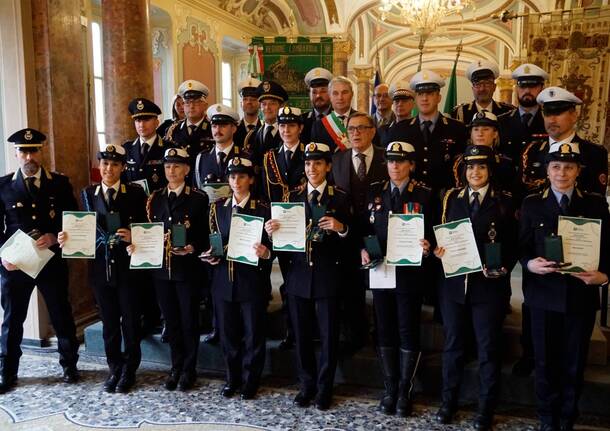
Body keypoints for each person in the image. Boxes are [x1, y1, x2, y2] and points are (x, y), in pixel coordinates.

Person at [519, 141, 609, 431]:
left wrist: (605, 276)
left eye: (568, 167)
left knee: (574, 363)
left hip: (580, 296)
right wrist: (529, 263)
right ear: (547, 170)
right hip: (543, 297)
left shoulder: (594, 203)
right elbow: (520, 246)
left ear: (578, 170)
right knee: (544, 362)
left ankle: (568, 418)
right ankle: (547, 418)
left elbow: (608, 248)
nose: (562, 173)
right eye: (556, 166)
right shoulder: (532, 203)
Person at [434, 145, 518, 431]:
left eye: (481, 167)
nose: (475, 172)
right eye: (470, 167)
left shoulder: (504, 201)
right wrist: (437, 249)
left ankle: (485, 408)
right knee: (453, 347)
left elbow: (515, 243)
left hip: (489, 288)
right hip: (455, 286)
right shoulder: (450, 198)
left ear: (490, 170)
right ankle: (449, 402)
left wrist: (503, 264)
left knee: (487, 350)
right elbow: (440, 232)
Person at [264, 142, 351, 410]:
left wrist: (341, 228)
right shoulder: (292, 200)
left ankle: (325, 388)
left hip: (328, 275)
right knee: (301, 335)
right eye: (308, 164)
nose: (312, 168)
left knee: (327, 336)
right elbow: (283, 246)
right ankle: (306, 385)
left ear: (327, 166)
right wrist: (271, 232)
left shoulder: (340, 198)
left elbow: (354, 239)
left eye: (317, 163)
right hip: (299, 276)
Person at [59, 144, 147, 393]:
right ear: (100, 166)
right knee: (108, 323)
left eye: (115, 164)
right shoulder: (88, 193)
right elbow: (84, 229)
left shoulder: (135, 193)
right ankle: (114, 368)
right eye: (105, 163)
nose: (109, 168)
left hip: (128, 269)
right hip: (100, 270)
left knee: (130, 322)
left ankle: (130, 369)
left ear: (122, 167)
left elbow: (148, 227)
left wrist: (133, 235)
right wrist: (69, 238)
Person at [0, 128, 80, 392]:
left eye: (33, 150)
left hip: (50, 261)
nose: (28, 156)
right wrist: (2, 257)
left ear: (41, 151)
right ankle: (7, 371)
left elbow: (73, 220)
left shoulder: (59, 183)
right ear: (16, 153)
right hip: (16, 265)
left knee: (61, 314)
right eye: (23, 151)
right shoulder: (3, 186)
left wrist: (55, 237)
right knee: (12, 319)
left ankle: (70, 365)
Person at [361, 141, 435, 417]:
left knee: (407, 330)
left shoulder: (425, 195)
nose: (395, 166)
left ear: (411, 165)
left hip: (409, 275)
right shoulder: (374, 191)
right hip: (381, 272)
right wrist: (362, 249)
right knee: (384, 329)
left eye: (401, 161)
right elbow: (362, 227)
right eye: (391, 161)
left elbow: (435, 232)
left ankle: (405, 389)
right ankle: (389, 387)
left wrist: (429, 246)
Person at [131, 147, 209, 391]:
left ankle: (189, 369)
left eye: (176, 166)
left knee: (188, 320)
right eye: (167, 166)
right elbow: (147, 230)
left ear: (186, 169)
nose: (171, 171)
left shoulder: (198, 198)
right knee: (171, 321)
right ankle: (175, 367)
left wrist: (192, 246)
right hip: (161, 271)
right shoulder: (154, 198)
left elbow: (206, 235)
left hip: (187, 270)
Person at [201, 157, 272, 400]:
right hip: (223, 281)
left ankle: (251, 380)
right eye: (232, 177)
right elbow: (213, 239)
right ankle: (232, 379)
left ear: (251, 179)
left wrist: (266, 252)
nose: (236, 181)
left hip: (252, 282)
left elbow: (273, 246)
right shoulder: (217, 207)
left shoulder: (263, 208)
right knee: (228, 335)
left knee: (254, 335)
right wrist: (211, 254)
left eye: (242, 176)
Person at [331, 112, 388, 354]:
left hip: (380, 234)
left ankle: (381, 337)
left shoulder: (388, 159)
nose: (356, 133)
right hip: (347, 235)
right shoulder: (337, 160)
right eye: (351, 128)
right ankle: (354, 336)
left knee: (381, 289)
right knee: (350, 287)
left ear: (372, 131)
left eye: (361, 128)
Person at [260, 106, 307, 350]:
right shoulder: (269, 157)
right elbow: (264, 193)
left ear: (300, 128)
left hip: (302, 226)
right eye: (282, 126)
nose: (286, 130)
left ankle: (305, 331)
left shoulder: (309, 155)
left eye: (291, 125)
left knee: (301, 281)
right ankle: (291, 329)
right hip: (276, 227)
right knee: (286, 280)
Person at [383, 70, 467, 197]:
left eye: (430, 93)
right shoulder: (399, 129)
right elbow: (390, 164)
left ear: (439, 97)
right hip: (409, 198)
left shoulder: (457, 128)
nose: (425, 98)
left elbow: (461, 167)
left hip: (444, 199)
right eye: (421, 94)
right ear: (415, 98)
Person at [521, 86, 608, 197]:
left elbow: (597, 201)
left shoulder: (594, 153)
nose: (552, 120)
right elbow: (521, 195)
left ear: (574, 116)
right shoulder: (532, 150)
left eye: (558, 113)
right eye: (547, 113)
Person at [452, 111, 519, 197]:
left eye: (485, 129)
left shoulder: (506, 163)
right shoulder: (459, 162)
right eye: (476, 129)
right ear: (471, 134)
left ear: (495, 134)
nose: (480, 134)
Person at [498, 63, 548, 165]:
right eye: (523, 86)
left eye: (533, 86)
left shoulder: (549, 120)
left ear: (542, 88)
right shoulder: (501, 121)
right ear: (516, 88)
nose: (527, 91)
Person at [123, 97, 170, 193]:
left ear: (157, 123)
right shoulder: (126, 148)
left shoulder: (168, 148)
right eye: (138, 120)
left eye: (146, 120)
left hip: (159, 204)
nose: (141, 125)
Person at [165, 80, 214, 172]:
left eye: (196, 102)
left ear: (205, 106)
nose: (191, 106)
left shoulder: (213, 128)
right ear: (183, 106)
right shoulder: (173, 130)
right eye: (187, 102)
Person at [194, 104, 242, 189]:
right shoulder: (202, 158)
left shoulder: (244, 156)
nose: (217, 130)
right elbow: (197, 190)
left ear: (233, 129)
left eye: (223, 126)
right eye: (214, 126)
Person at [452, 60, 514, 124]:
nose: (482, 89)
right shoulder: (460, 112)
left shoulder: (508, 111)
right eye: (478, 84)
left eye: (487, 84)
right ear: (473, 88)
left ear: (494, 87)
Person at [246, 80, 288, 168]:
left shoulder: (288, 133)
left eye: (272, 103)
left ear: (281, 106)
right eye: (263, 104)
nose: (267, 108)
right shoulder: (253, 134)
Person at [310, 76, 358, 152]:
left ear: (352, 94)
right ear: (330, 96)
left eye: (344, 92)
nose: (340, 97)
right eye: (335, 93)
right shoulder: (318, 126)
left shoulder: (362, 120)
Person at [301, 67, 334, 145]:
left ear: (330, 93)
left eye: (323, 91)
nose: (318, 95)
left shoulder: (338, 119)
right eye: (314, 92)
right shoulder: (302, 120)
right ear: (309, 95)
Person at [377, 81, 415, 145]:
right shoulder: (383, 130)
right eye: (397, 101)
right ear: (392, 104)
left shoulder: (420, 128)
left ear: (413, 104)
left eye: (404, 101)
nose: (400, 104)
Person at [234, 78, 262, 149]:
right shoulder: (233, 129)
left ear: (260, 104)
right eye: (245, 99)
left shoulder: (264, 129)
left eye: (253, 99)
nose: (249, 102)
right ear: (241, 104)